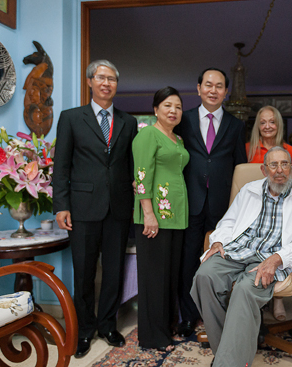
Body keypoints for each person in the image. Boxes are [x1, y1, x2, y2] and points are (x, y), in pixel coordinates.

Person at [191, 146, 292, 367]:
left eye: (285, 164)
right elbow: (229, 222)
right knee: (204, 277)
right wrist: (219, 240)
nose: (280, 170)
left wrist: (277, 258)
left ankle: (227, 363)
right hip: (237, 250)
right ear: (263, 169)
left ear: (291, 168)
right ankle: (229, 351)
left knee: (244, 290)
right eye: (273, 165)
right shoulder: (249, 190)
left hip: (272, 258)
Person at [52, 59, 137, 358]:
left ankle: (107, 325)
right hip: (82, 207)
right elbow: (61, 166)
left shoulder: (128, 122)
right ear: (89, 81)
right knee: (84, 273)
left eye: (112, 79)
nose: (106, 83)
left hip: (118, 208)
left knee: (113, 272)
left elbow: (130, 166)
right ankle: (84, 331)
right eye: (101, 77)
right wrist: (61, 205)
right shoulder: (72, 118)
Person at [176, 67, 248, 337]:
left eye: (219, 86)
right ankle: (188, 316)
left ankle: (219, 314)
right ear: (198, 88)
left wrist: (240, 207)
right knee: (189, 262)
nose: (213, 90)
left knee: (220, 263)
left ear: (226, 92)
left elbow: (240, 167)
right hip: (190, 201)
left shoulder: (235, 124)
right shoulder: (183, 120)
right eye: (208, 84)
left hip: (223, 206)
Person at [132, 86, 189, 352]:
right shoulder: (147, 135)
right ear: (156, 109)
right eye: (167, 105)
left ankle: (166, 328)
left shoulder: (178, 139)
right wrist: (148, 215)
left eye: (178, 106)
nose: (173, 111)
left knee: (169, 277)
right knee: (154, 278)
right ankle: (152, 337)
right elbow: (142, 175)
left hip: (177, 216)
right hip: (154, 215)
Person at [246, 105, 292, 321]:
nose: (267, 126)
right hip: (252, 210)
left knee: (277, 249)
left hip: (281, 210)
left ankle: (278, 299)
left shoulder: (290, 150)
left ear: (278, 125)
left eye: (272, 121)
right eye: (263, 122)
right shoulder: (248, 148)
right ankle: (254, 295)